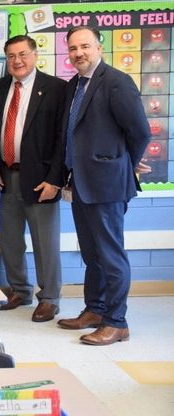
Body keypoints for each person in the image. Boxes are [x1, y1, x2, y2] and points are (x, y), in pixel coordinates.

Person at [56, 26, 150, 346]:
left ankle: (116, 321)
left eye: (84, 46)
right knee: (91, 253)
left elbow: (140, 132)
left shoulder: (116, 82)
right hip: (80, 183)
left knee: (110, 255)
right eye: (73, 48)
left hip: (107, 184)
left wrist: (123, 161)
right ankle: (95, 310)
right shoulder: (74, 86)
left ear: (99, 47)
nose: (78, 52)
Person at [0, 35, 68, 322]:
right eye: (11, 56)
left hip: (41, 179)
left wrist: (55, 179)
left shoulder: (56, 88)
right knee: (11, 240)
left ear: (34, 55)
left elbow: (62, 138)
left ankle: (50, 297)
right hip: (6, 176)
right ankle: (20, 289)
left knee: (45, 242)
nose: (17, 61)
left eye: (22, 54)